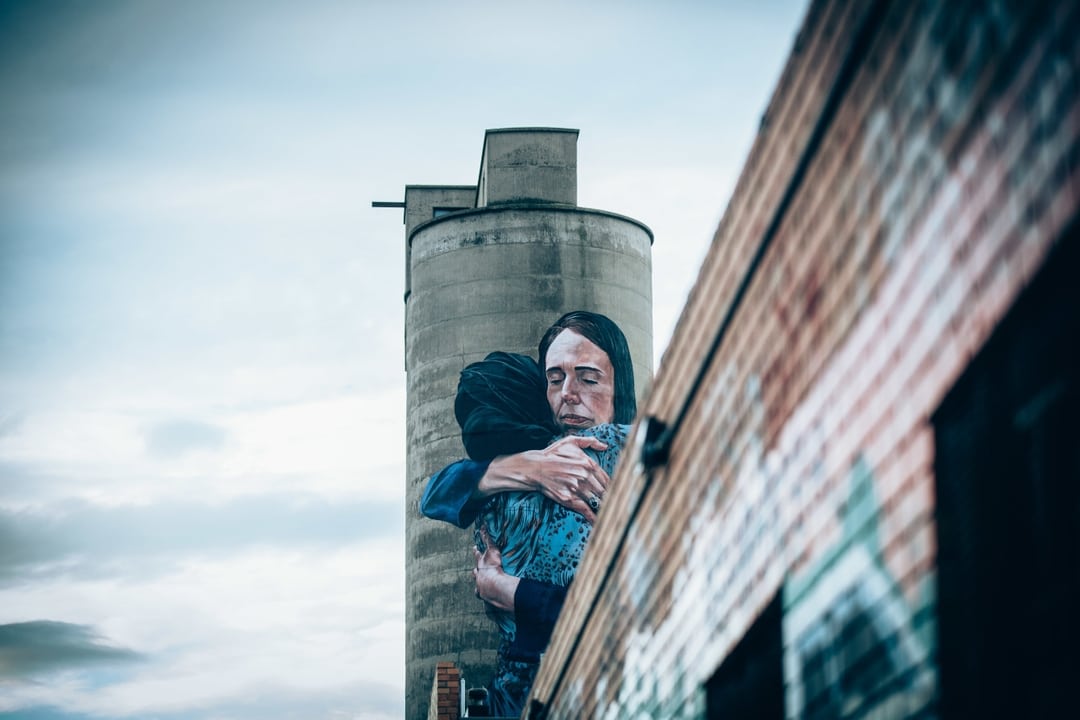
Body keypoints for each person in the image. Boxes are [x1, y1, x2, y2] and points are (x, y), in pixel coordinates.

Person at [421, 311, 637, 715]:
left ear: (618, 384)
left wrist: (509, 591)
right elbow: (433, 493)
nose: (569, 394)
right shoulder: (537, 462)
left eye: (588, 379)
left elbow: (621, 613)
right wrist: (528, 468)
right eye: (555, 380)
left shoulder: (629, 453)